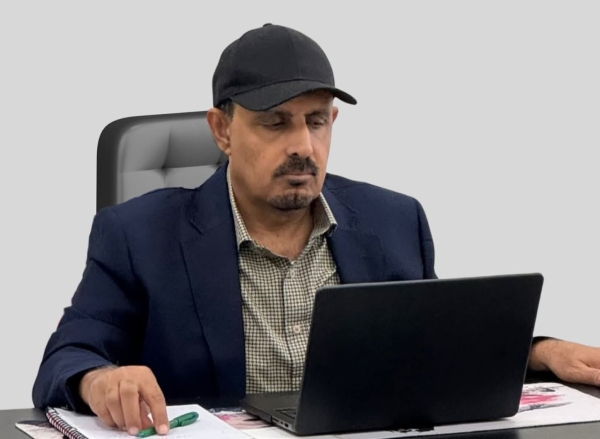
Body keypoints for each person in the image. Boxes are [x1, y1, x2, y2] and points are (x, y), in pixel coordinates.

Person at [32, 23, 600, 437]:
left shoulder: (393, 221)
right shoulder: (138, 235)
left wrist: (539, 353)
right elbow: (68, 355)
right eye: (275, 123)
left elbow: (435, 354)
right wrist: (99, 379)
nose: (303, 145)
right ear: (222, 130)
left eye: (317, 121)